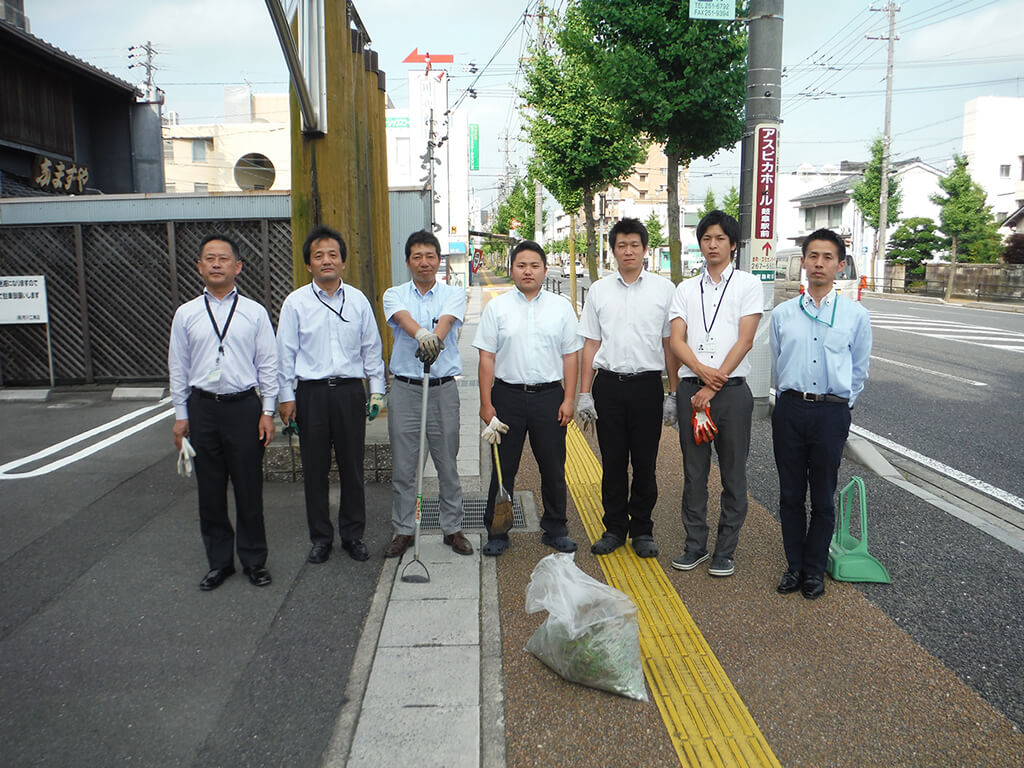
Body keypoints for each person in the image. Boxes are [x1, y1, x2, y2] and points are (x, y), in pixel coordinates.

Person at [168, 233, 278, 591]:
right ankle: (219, 563)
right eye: (209, 258)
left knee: (249, 490)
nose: (216, 264)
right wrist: (180, 414)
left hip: (244, 407)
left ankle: (254, 560)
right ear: (199, 266)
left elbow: (268, 364)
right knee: (210, 493)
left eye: (223, 259)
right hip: (203, 409)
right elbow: (178, 368)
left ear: (238, 266)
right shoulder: (185, 314)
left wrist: (268, 410)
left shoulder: (254, 312)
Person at [769, 228, 871, 600]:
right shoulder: (783, 314)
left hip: (831, 412)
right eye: (813, 256)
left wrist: (844, 405)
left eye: (828, 257)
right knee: (790, 494)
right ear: (803, 262)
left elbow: (859, 368)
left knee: (823, 495)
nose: (819, 264)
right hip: (791, 408)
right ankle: (794, 566)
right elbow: (779, 363)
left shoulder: (855, 316)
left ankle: (815, 570)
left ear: (840, 265)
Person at [276, 225, 386, 564]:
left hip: (350, 393)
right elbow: (285, 354)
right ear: (308, 264)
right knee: (315, 469)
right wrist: (286, 397)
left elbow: (372, 348)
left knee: (353, 469)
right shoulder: (295, 303)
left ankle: (353, 535)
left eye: (333, 255)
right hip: (311, 394)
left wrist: (377, 392)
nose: (326, 261)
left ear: (342, 262)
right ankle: (320, 537)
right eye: (318, 255)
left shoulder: (358, 300)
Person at [576, 217, 678, 558]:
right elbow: (590, 343)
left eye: (635, 245)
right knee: (614, 463)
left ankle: (643, 530)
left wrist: (672, 394)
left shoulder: (664, 290)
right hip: (608, 386)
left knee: (646, 463)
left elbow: (670, 344)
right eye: (622, 245)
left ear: (645, 249)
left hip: (648, 387)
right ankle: (615, 528)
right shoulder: (599, 290)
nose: (629, 251)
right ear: (613, 250)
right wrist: (583, 393)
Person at [668, 210, 763, 578]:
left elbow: (746, 339)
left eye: (720, 238)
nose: (712, 244)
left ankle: (725, 550)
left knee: (733, 474)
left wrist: (713, 382)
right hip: (692, 392)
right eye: (706, 238)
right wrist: (701, 376)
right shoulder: (686, 289)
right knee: (694, 474)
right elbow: (677, 339)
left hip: (731, 394)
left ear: (733, 245)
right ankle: (695, 546)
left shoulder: (747, 285)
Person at [474, 240, 582, 557]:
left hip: (549, 396)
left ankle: (555, 528)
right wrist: (486, 403)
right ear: (512, 270)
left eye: (534, 265)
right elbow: (486, 358)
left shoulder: (561, 307)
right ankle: (497, 531)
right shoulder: (497, 307)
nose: (528, 271)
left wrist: (569, 399)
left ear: (545, 270)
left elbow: (571, 357)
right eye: (521, 265)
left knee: (553, 467)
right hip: (506, 396)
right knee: (503, 468)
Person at [382, 230, 472, 558]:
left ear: (438, 260)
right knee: (406, 466)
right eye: (417, 256)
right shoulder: (394, 294)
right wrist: (420, 334)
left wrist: (434, 336)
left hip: (443, 389)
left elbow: (447, 321)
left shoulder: (453, 293)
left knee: (447, 461)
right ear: (407, 261)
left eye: (430, 256)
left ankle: (453, 528)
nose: (424, 262)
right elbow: (403, 319)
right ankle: (403, 529)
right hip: (406, 389)